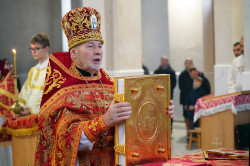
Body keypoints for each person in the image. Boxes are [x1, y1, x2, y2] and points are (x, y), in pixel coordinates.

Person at [35, 7, 174, 166]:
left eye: (100, 46)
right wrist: (104, 122)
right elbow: (63, 140)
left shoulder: (110, 85)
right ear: (73, 53)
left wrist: (159, 112)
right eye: (90, 46)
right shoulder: (62, 91)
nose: (98, 52)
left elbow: (134, 123)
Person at [18, 33, 50, 116]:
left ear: (47, 48)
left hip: (42, 115)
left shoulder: (52, 70)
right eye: (32, 49)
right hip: (28, 115)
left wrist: (33, 110)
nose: (33, 52)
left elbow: (51, 97)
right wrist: (20, 108)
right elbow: (25, 94)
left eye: (37, 48)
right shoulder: (33, 70)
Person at [178, 58, 193, 135]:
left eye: (190, 63)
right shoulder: (182, 74)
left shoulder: (195, 73)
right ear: (185, 64)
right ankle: (188, 131)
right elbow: (181, 87)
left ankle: (194, 131)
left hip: (194, 98)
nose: (188, 64)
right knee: (186, 115)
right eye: (187, 63)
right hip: (185, 98)